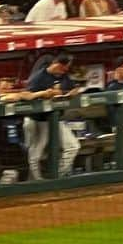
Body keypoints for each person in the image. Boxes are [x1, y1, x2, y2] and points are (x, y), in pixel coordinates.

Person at [24, 51, 83, 180]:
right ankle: (37, 181)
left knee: (73, 146)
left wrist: (71, 92)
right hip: (38, 120)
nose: (64, 71)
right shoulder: (38, 77)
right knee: (37, 153)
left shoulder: (63, 76)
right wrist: (44, 94)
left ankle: (57, 177)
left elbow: (72, 88)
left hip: (55, 118)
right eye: (63, 68)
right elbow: (26, 96)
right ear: (55, 64)